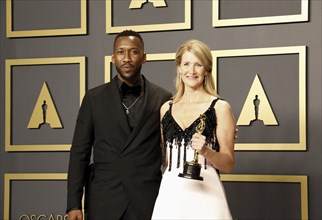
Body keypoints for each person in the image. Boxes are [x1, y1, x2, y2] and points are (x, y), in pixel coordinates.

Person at [66, 30, 172, 220]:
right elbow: (79, 152)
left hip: (147, 199)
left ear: (144, 57)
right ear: (113, 57)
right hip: (105, 198)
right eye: (121, 52)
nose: (127, 58)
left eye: (133, 52)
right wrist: (73, 204)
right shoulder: (94, 98)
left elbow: (172, 147)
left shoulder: (163, 98)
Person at [152, 39, 235, 219]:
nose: (191, 70)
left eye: (198, 64)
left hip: (207, 197)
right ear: (179, 68)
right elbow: (164, 158)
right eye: (186, 64)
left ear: (206, 70)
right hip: (170, 196)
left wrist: (206, 151)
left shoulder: (220, 107)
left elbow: (228, 164)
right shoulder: (166, 108)